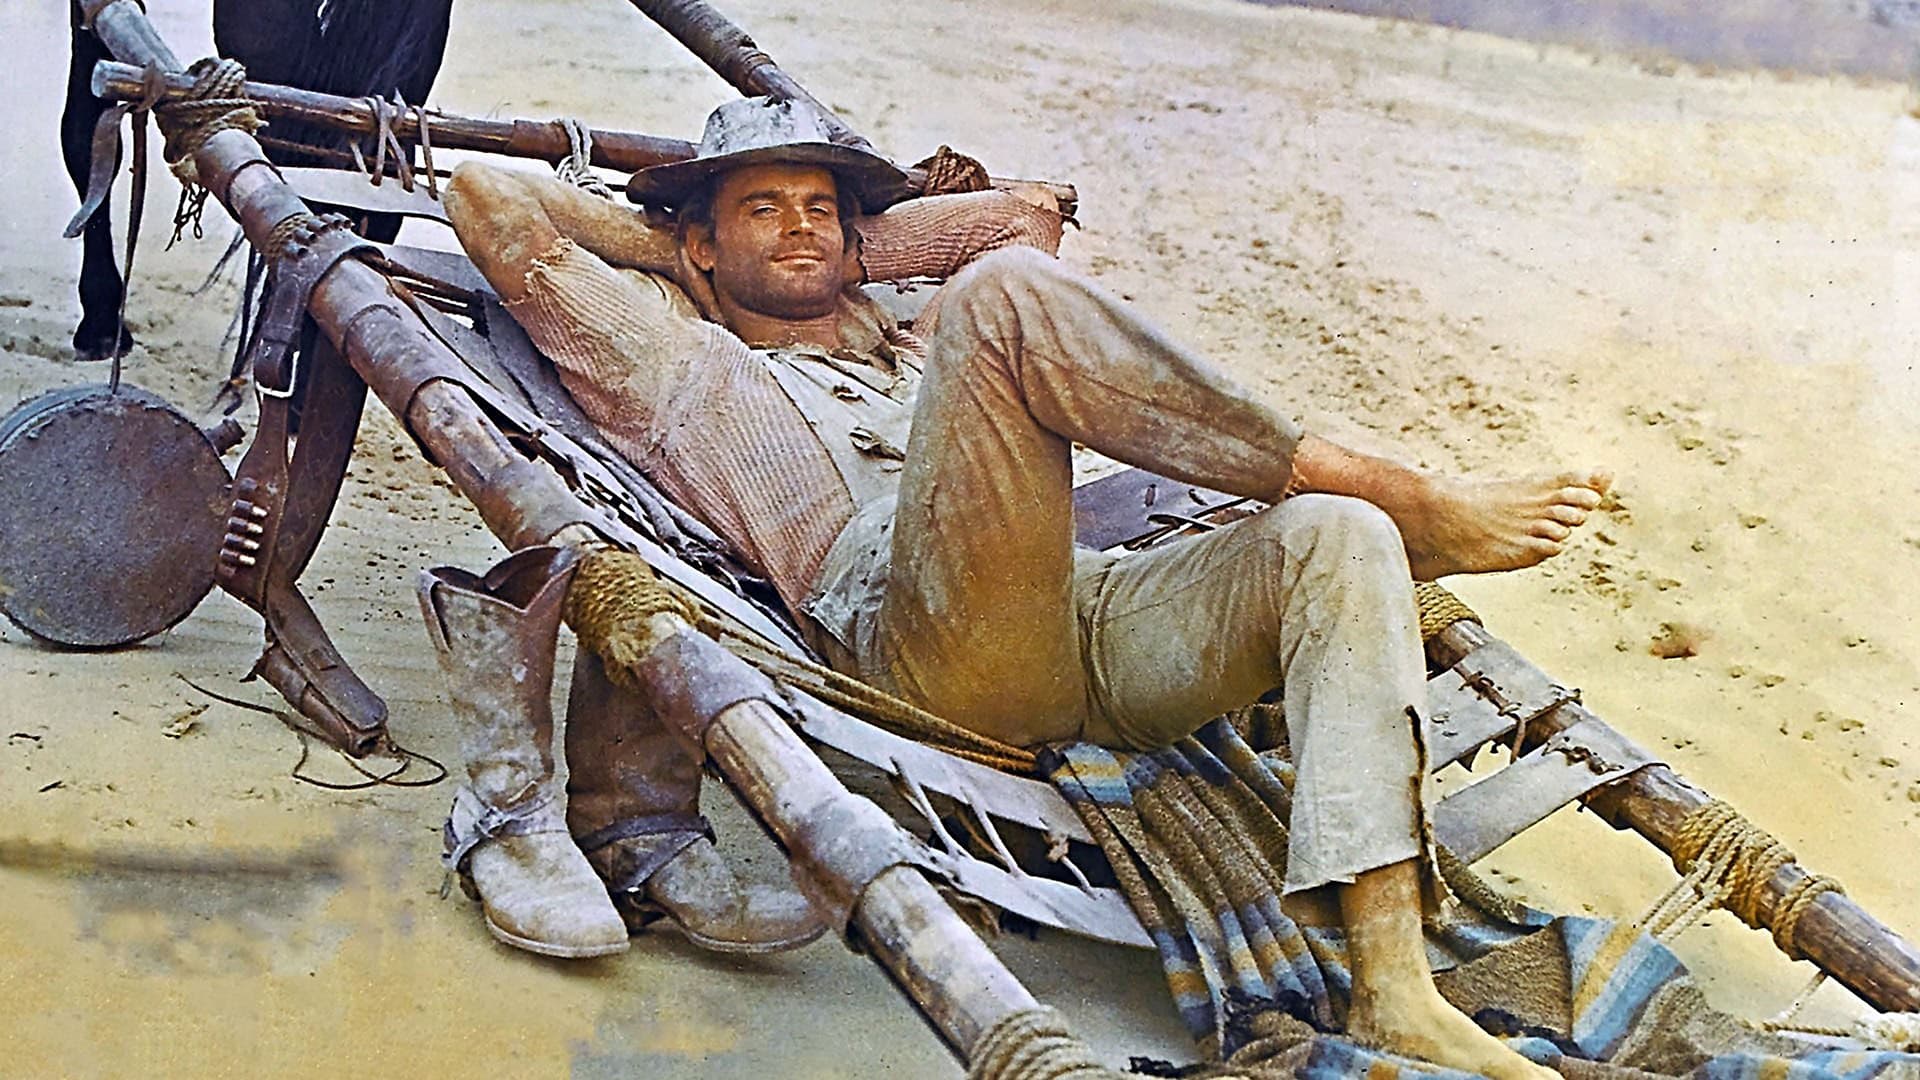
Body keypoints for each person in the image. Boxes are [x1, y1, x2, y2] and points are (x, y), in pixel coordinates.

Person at [442, 96, 1608, 1079]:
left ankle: (1395, 989)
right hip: (916, 642)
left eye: (821, 209)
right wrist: (681, 246)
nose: (799, 228)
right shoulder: (669, 355)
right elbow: (487, 200)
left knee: (1335, 539)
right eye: (763, 209)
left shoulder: (908, 341)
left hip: (1072, 605)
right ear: (699, 243)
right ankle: (1401, 492)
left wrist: (843, 253)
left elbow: (1022, 215)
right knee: (1005, 301)